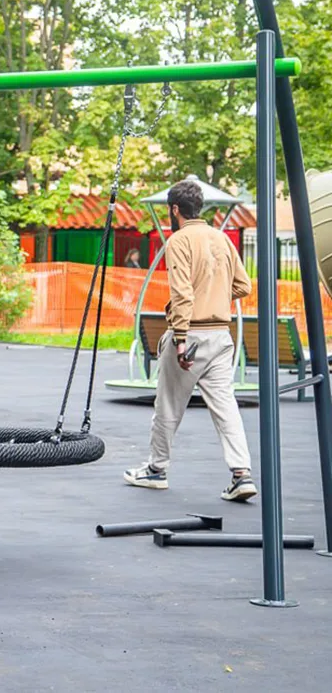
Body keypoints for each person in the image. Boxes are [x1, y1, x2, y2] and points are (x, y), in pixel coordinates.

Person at [124, 179, 257, 502]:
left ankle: (156, 470)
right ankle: (241, 475)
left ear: (174, 209)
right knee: (225, 407)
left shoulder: (178, 241)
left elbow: (182, 294)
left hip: (191, 336)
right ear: (199, 208)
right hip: (220, 337)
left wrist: (181, 339)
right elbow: (244, 287)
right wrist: (213, 297)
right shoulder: (221, 239)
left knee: (168, 404)